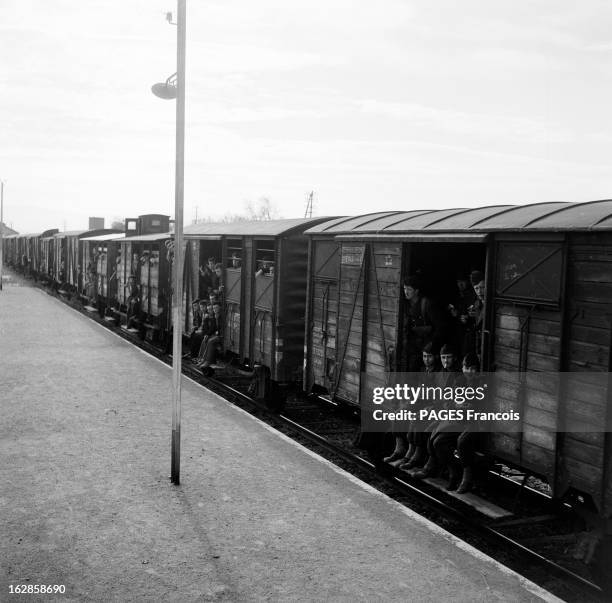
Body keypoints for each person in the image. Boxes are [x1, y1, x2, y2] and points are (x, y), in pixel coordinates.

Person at [413, 343, 462, 484]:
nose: (446, 361)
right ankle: (428, 463)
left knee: (432, 434)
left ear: (455, 358)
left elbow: (453, 401)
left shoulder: (458, 376)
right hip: (440, 411)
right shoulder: (440, 374)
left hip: (450, 415)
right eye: (443, 358)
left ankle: (433, 467)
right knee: (421, 423)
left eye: (449, 358)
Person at [399, 342, 440, 470]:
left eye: (429, 356)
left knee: (417, 420)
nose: (426, 360)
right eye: (424, 356)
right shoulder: (423, 371)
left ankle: (417, 454)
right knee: (400, 412)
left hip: (432, 406)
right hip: (423, 403)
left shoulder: (438, 373)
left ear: (436, 357)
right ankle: (404, 449)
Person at [401, 274, 448, 372]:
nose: (406, 292)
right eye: (405, 288)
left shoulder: (427, 304)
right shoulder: (405, 304)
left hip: (427, 350)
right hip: (412, 349)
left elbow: (441, 327)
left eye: (409, 289)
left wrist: (432, 344)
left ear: (416, 291)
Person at [455, 353, 483, 493]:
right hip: (459, 418)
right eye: (467, 368)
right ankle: (451, 472)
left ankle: (467, 477)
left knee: (462, 441)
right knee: (437, 436)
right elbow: (450, 399)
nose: (470, 372)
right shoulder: (459, 381)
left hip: (475, 421)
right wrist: (457, 405)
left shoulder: (481, 383)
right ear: (462, 368)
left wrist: (472, 407)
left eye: (473, 368)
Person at [448, 273, 476, 358]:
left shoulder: (473, 295)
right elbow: (449, 306)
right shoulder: (456, 294)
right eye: (458, 282)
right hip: (457, 329)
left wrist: (468, 317)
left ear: (467, 282)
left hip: (469, 330)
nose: (460, 284)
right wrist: (451, 310)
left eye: (462, 282)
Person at [464, 270, 485, 360]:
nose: (479, 291)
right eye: (476, 288)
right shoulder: (476, 303)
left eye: (482, 287)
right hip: (478, 344)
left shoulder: (492, 302)